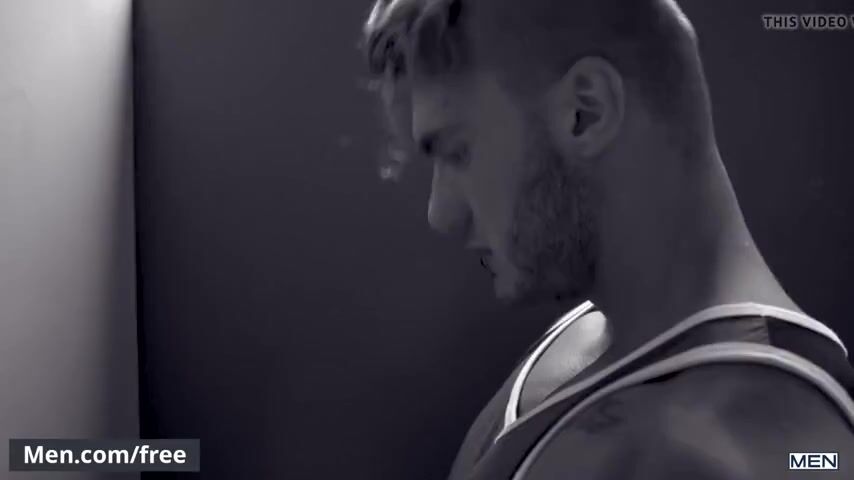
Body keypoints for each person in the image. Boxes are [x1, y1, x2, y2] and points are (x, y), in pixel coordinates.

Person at [360, 0, 854, 478]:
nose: (441, 214)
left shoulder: (741, 454)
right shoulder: (599, 332)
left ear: (586, 111)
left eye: (458, 152)